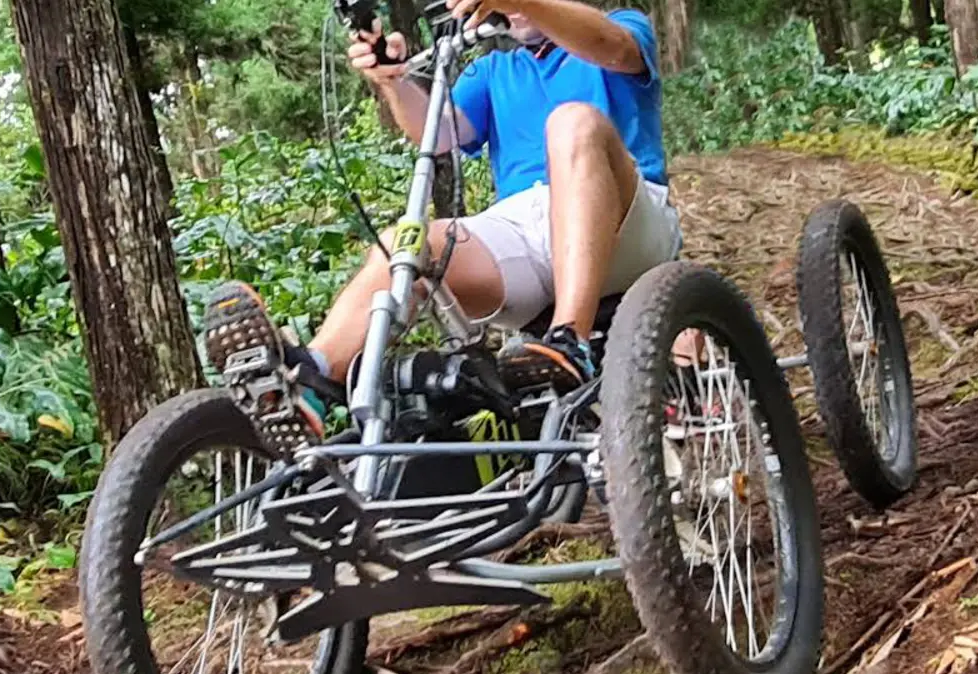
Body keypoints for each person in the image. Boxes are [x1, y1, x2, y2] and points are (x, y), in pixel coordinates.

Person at [203, 0, 682, 451]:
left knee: (571, 122)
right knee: (404, 247)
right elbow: (444, 133)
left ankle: (568, 341)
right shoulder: (495, 71)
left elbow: (614, 49)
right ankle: (310, 381)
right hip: (525, 228)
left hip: (626, 219)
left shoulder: (620, 25)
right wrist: (391, 80)